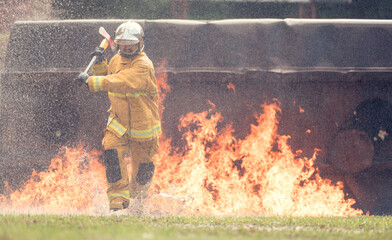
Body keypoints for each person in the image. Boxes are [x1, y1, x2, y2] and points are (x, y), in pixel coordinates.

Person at [75, 21, 161, 212]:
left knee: (142, 173)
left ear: (140, 43)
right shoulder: (116, 60)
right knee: (111, 153)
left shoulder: (143, 65)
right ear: (118, 44)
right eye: (123, 44)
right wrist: (99, 63)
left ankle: (138, 205)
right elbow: (107, 75)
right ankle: (118, 204)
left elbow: (121, 81)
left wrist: (91, 81)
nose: (127, 47)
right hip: (119, 122)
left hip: (143, 128)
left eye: (131, 44)